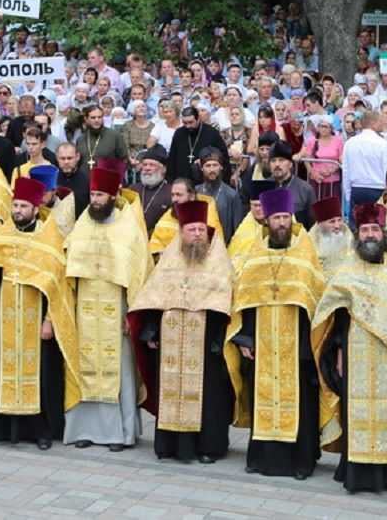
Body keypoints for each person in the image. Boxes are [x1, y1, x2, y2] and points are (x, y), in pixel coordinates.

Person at [313, 201, 387, 495]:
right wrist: (337, 352)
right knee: (357, 412)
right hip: (355, 354)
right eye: (365, 230)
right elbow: (336, 317)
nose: (371, 235)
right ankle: (356, 473)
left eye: (375, 229)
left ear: (384, 233)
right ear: (357, 234)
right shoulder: (347, 269)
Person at [227, 188, 324, 479]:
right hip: (263, 345)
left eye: (285, 217)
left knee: (301, 404)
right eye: (276, 218)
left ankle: (301, 463)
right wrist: (245, 339)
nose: (281, 223)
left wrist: (309, 347)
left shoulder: (305, 253)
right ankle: (260, 459)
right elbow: (244, 301)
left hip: (297, 347)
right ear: (266, 221)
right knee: (263, 400)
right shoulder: (255, 256)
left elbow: (316, 300)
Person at [0, 176, 79, 450]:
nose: (18, 211)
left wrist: (50, 320)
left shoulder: (49, 237)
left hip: (37, 319)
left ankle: (42, 432)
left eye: (23, 206)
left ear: (36, 208)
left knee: (42, 376)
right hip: (8, 316)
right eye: (15, 205)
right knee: (7, 370)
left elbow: (57, 284)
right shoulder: (2, 235)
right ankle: (8, 430)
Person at [130, 200, 234, 463]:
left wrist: (218, 340)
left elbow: (227, 304)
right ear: (182, 232)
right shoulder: (169, 260)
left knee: (208, 396)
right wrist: (151, 331)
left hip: (207, 343)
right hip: (171, 340)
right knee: (170, 390)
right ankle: (169, 445)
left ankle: (208, 447)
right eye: (192, 229)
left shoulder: (219, 262)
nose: (197, 234)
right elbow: (154, 296)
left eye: (201, 229)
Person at [62, 166, 152, 451]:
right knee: (85, 366)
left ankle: (121, 434)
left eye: (100, 195)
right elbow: (68, 262)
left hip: (117, 309)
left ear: (113, 195)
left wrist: (133, 313)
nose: (95, 200)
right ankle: (85, 430)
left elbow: (139, 271)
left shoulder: (128, 229)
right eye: (92, 194)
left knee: (120, 372)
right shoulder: (83, 224)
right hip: (85, 308)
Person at [342, 110, 387, 207]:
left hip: (357, 189)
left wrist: (348, 193)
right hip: (377, 188)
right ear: (373, 124)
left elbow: (346, 170)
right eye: (380, 121)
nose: (382, 124)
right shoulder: (383, 143)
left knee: (357, 221)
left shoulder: (349, 143)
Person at [167, 106, 230, 185]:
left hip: (205, 182)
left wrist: (205, 159)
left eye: (191, 122)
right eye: (185, 123)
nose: (188, 126)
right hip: (182, 180)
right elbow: (172, 159)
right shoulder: (179, 133)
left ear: (198, 119)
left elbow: (222, 156)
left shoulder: (211, 133)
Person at [194, 146, 243, 243]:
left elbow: (238, 229)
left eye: (215, 165)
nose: (212, 169)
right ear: (201, 168)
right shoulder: (195, 192)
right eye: (208, 166)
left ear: (221, 167)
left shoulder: (231, 195)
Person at [127, 144, 172, 234]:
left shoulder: (171, 192)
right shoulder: (133, 189)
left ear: (163, 169)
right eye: (145, 164)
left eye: (152, 165)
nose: (147, 168)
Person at [75, 105, 128, 171]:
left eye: (99, 117)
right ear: (86, 119)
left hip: (108, 177)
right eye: (93, 117)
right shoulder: (81, 139)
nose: (97, 120)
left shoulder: (114, 136)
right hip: (85, 178)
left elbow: (124, 159)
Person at [308, 196, 352, 274]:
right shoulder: (308, 243)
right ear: (320, 225)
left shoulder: (349, 236)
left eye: (339, 220)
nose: (337, 226)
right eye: (332, 222)